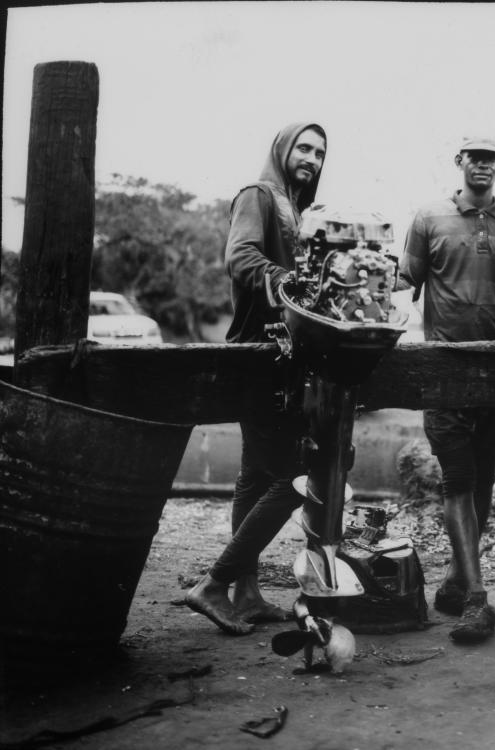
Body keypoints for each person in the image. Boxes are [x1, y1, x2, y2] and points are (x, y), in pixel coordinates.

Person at [186, 122, 328, 635]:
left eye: (320, 152)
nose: (312, 157)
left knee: (254, 476)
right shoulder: (258, 196)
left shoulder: (300, 209)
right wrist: (287, 280)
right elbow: (240, 257)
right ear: (282, 150)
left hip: (285, 355)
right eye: (304, 147)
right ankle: (214, 583)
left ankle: (245, 594)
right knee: (296, 477)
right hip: (258, 351)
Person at [398, 135, 495, 643]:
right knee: (457, 479)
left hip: (494, 371)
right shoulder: (429, 218)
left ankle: (455, 582)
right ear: (459, 162)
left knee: (485, 482)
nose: (481, 164)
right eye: (473, 156)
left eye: (490, 157)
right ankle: (478, 599)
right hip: (444, 369)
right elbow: (405, 280)